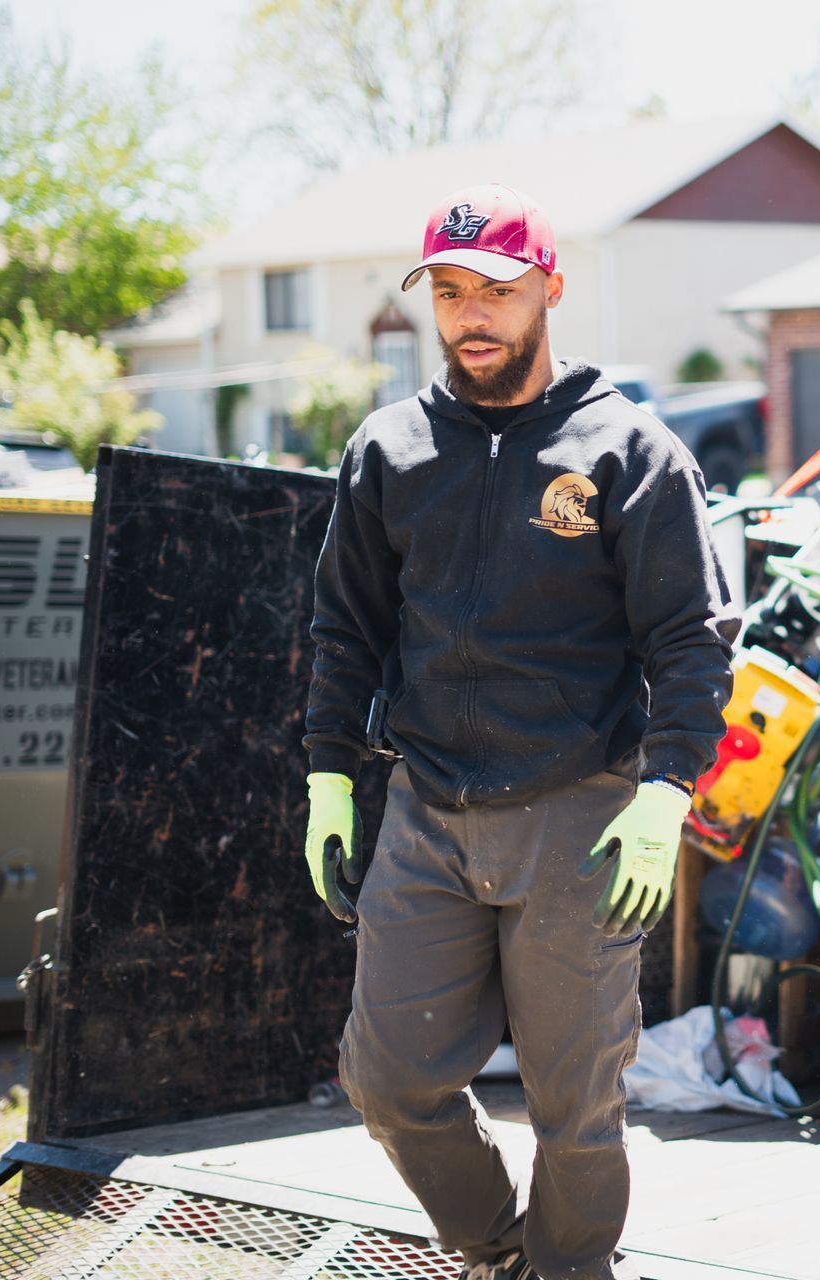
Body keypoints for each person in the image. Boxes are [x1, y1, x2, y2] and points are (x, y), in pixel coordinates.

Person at [300, 183, 737, 1280]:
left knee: (574, 1107)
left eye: (494, 288)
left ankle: (571, 1268)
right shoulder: (390, 450)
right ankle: (494, 1245)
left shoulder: (627, 448)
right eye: (448, 293)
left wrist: (665, 787)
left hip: (579, 815)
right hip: (427, 808)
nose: (470, 315)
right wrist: (327, 778)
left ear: (548, 285)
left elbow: (692, 640)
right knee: (388, 1076)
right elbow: (344, 628)